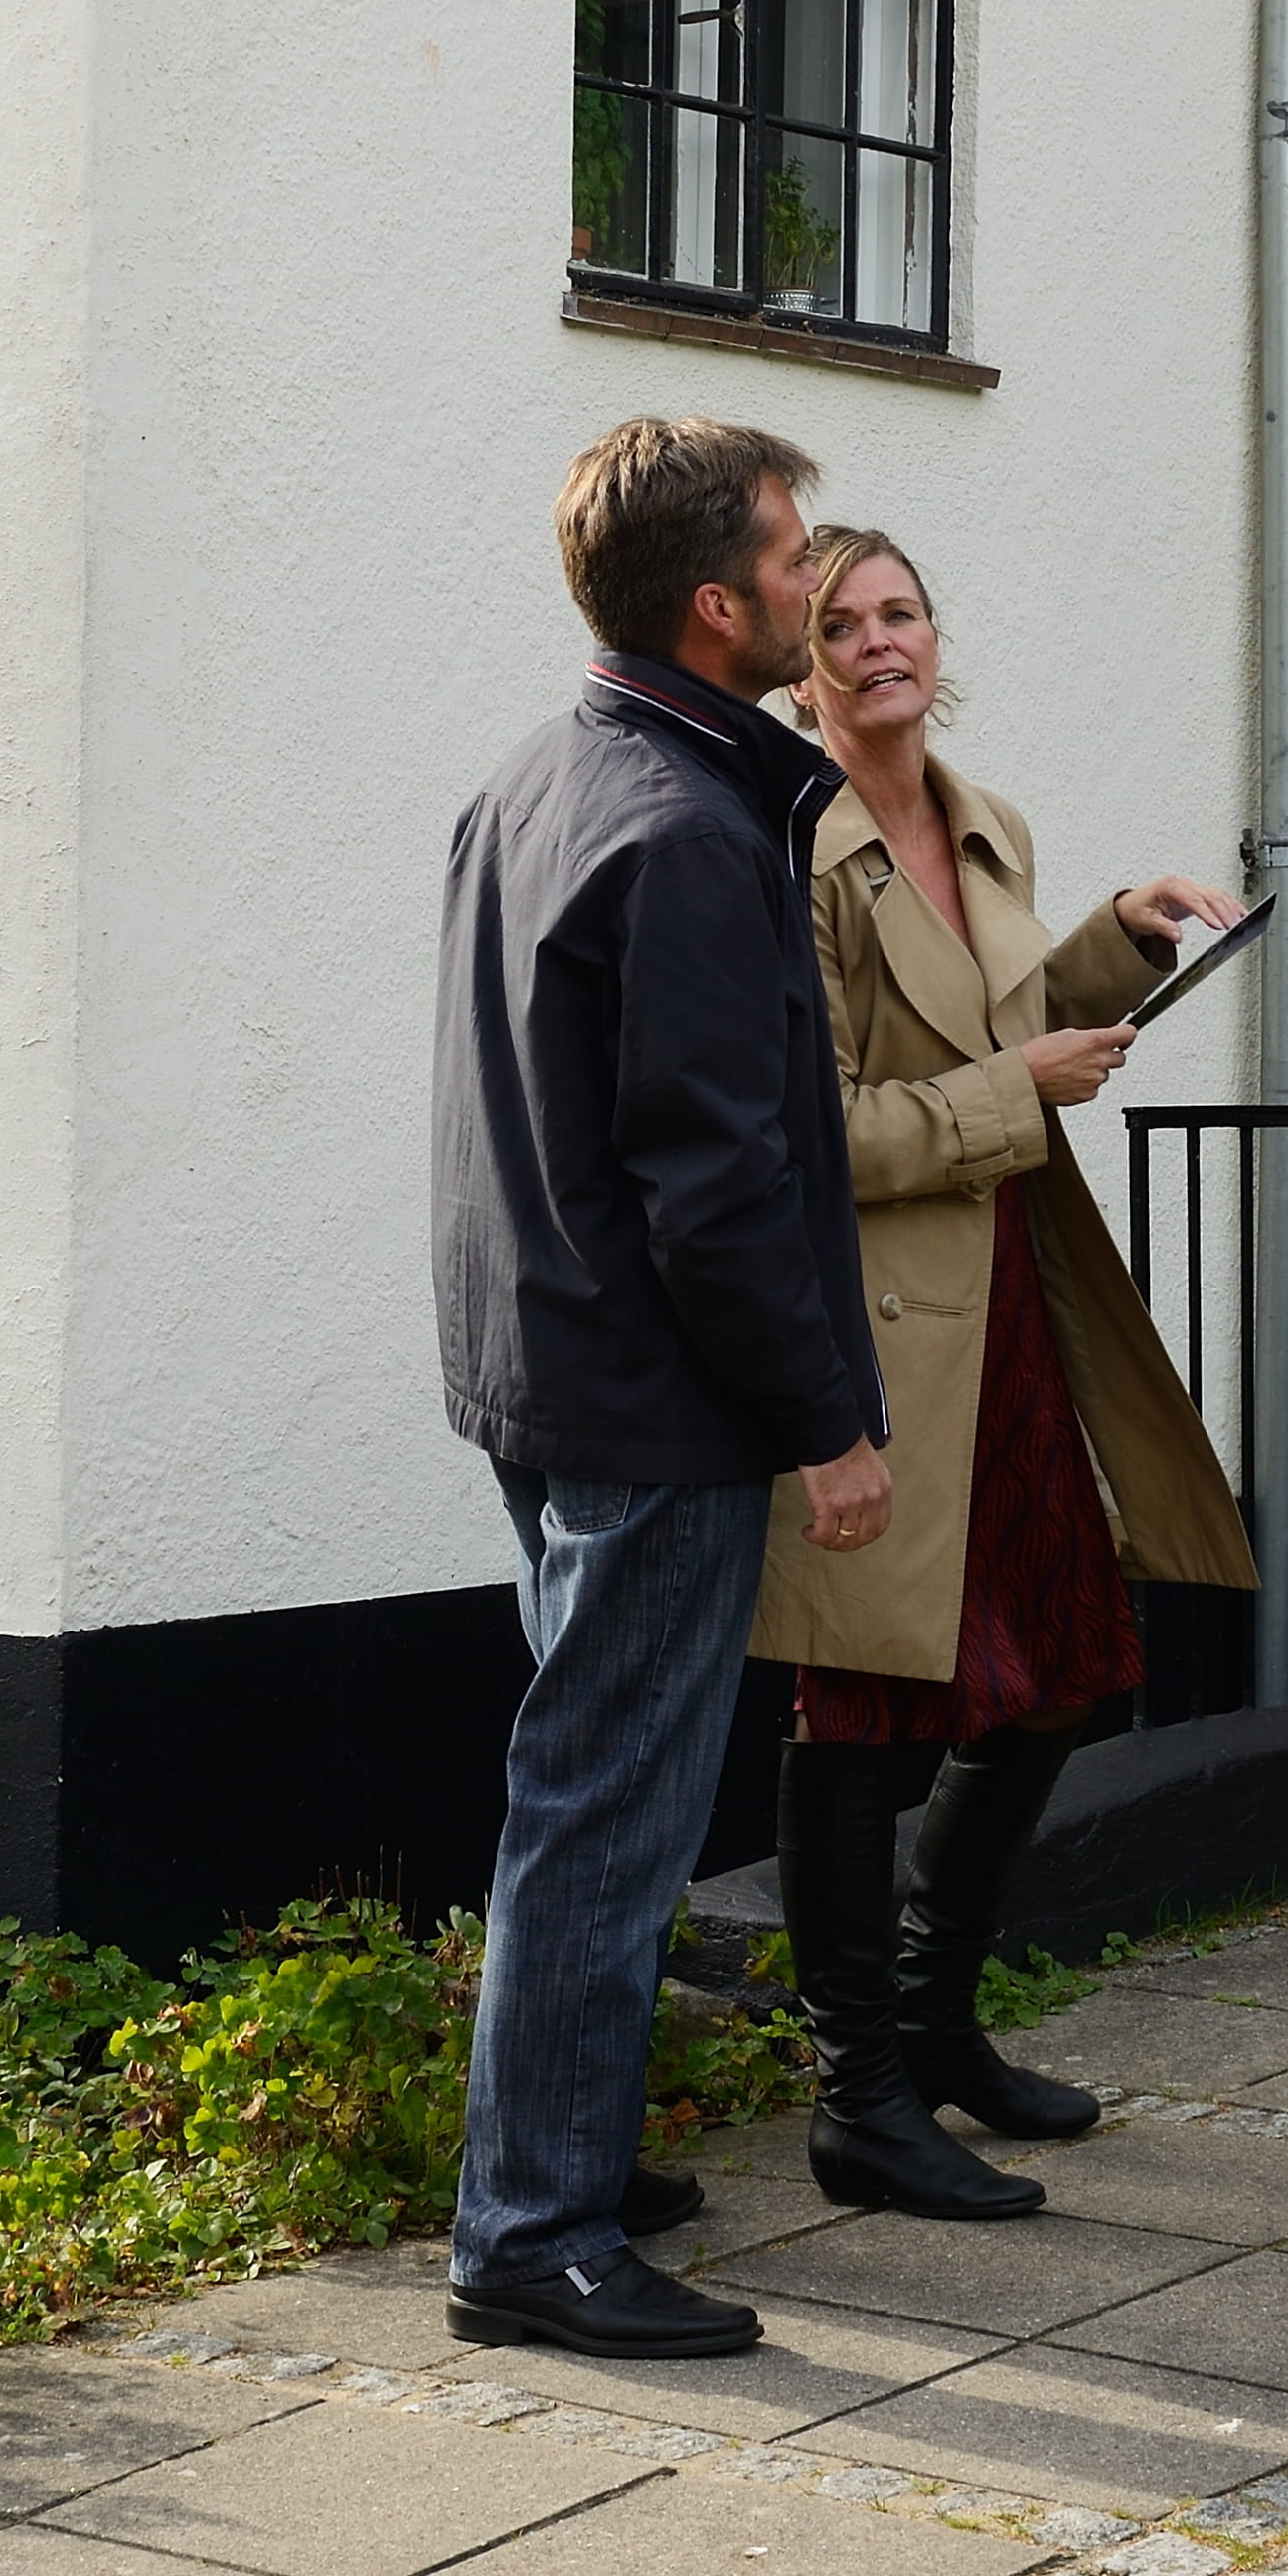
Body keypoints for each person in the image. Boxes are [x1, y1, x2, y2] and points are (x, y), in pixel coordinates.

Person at [428, 414, 893, 2358]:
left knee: (585, 1787)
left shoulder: (543, 774)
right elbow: (715, 1185)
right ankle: (535, 2232)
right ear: (717, 603)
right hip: (651, 1402)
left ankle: (564, 2156)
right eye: (793, 559)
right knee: (608, 1809)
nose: (814, 582)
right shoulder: (687, 828)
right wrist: (825, 1418)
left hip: (548, 1373)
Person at [754, 529, 1258, 2218]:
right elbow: (806, 1132)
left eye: (900, 612)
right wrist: (1013, 1088)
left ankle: (930, 2020)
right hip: (880, 1323)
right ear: (800, 660)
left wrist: (1120, 932)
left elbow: (1001, 1015)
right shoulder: (788, 846)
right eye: (840, 623)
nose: (877, 642)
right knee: (856, 1698)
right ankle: (857, 2094)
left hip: (1011, 1293)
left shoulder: (984, 823)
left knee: (1058, 1662)